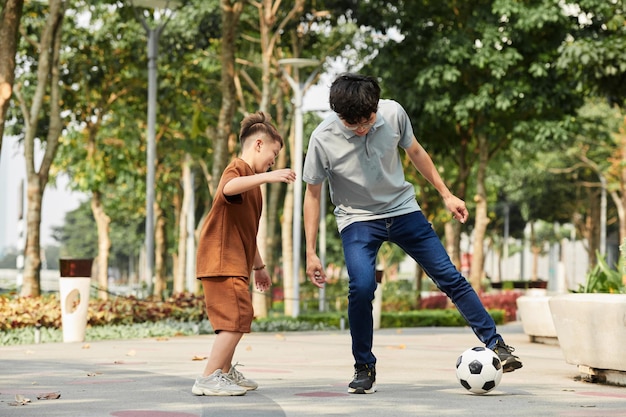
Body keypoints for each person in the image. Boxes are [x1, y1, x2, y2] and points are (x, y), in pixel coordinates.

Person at [302, 73, 522, 395]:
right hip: (358, 218)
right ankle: (364, 366)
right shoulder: (322, 139)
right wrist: (310, 251)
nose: (362, 128)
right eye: (353, 123)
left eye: (367, 119)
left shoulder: (393, 113)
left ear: (376, 107)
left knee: (449, 276)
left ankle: (497, 344)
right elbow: (313, 194)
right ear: (339, 115)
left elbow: (416, 153)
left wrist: (446, 194)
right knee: (361, 288)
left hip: (403, 209)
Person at [193, 111, 296, 396]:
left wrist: (259, 266)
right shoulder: (237, 168)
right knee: (237, 317)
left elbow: (247, 231)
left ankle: (224, 372)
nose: (273, 162)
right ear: (258, 144)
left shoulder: (254, 186)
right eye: (273, 155)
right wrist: (269, 176)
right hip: (221, 260)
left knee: (234, 319)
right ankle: (208, 377)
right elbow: (227, 188)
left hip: (235, 261)